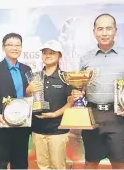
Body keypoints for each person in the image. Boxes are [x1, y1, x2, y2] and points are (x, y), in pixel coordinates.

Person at [72, 13, 124, 169]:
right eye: (100, 29)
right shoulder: (86, 58)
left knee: (118, 163)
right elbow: (81, 85)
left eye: (108, 28)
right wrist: (78, 92)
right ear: (94, 32)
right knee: (91, 162)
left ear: (115, 30)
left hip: (118, 116)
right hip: (92, 114)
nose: (104, 33)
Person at [0, 33, 31, 169]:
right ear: (3, 47)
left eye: (18, 45)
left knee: (21, 164)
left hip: (22, 125)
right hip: (1, 125)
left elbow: (30, 95)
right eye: (10, 44)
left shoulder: (27, 70)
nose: (14, 48)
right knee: (1, 164)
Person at [26, 40, 73, 169]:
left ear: (60, 56)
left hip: (58, 129)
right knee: (42, 166)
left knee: (58, 166)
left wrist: (54, 114)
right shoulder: (34, 76)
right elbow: (28, 101)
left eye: (52, 53)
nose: (48, 55)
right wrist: (28, 91)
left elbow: (71, 103)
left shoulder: (66, 77)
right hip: (37, 129)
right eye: (45, 52)